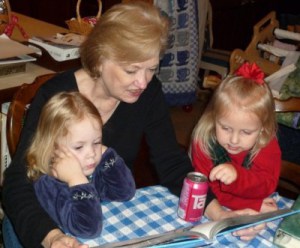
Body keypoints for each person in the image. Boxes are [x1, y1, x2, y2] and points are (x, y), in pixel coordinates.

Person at [2, 2, 265, 248]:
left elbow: (171, 162)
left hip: (103, 214)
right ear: (101, 58)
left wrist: (218, 212)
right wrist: (52, 237)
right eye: (131, 70)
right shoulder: (55, 95)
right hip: (43, 218)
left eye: (151, 69)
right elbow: (17, 183)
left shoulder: (148, 94)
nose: (143, 81)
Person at [26, 91, 135, 239]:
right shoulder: (48, 185)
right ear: (52, 149)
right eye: (79, 147)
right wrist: (76, 180)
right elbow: (88, 229)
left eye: (96, 142)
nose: (91, 153)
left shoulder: (89, 168)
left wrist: (106, 154)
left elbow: (124, 193)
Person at [191, 62, 280, 213]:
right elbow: (208, 191)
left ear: (262, 128)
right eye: (225, 128)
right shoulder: (203, 142)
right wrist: (251, 205)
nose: (234, 140)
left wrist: (237, 176)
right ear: (213, 118)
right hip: (215, 206)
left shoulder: (267, 143)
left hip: (255, 198)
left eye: (246, 132)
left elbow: (267, 185)